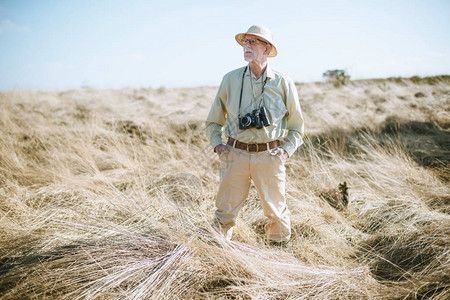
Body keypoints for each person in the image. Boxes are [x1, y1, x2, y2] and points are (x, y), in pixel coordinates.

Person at [205, 25, 304, 245]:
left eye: (253, 42)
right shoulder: (230, 79)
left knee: (276, 213)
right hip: (235, 154)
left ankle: (279, 259)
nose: (247, 46)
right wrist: (218, 145)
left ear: (267, 48)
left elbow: (297, 127)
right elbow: (213, 121)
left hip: (270, 156)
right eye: (245, 42)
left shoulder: (283, 82)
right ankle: (216, 256)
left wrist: (285, 152)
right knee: (224, 214)